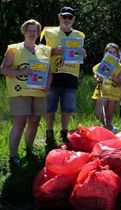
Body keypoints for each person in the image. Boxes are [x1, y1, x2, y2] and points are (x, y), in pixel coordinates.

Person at [0, 19, 52, 167]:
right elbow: (3, 69)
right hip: (20, 93)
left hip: (39, 93)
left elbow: (49, 73)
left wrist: (47, 86)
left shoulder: (45, 50)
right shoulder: (13, 49)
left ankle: (29, 149)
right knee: (19, 123)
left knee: (35, 122)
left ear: (38, 33)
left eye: (35, 31)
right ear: (24, 31)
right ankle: (13, 155)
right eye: (29, 30)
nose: (32, 33)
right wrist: (20, 72)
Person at [40, 6, 87, 149]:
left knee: (67, 108)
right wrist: (53, 51)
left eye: (70, 17)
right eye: (64, 17)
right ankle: (49, 133)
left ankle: (64, 133)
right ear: (59, 17)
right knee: (50, 108)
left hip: (71, 76)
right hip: (52, 75)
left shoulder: (80, 35)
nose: (67, 20)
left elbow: (80, 55)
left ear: (73, 19)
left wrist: (83, 54)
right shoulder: (48, 32)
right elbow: (38, 53)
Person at [92, 43, 121, 133]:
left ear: (117, 54)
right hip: (102, 91)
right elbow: (96, 76)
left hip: (113, 92)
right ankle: (110, 128)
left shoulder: (120, 67)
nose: (111, 54)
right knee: (98, 113)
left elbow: (119, 81)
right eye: (109, 51)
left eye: (114, 52)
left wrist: (113, 76)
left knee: (109, 114)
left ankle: (108, 133)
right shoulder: (101, 64)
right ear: (105, 53)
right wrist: (97, 78)